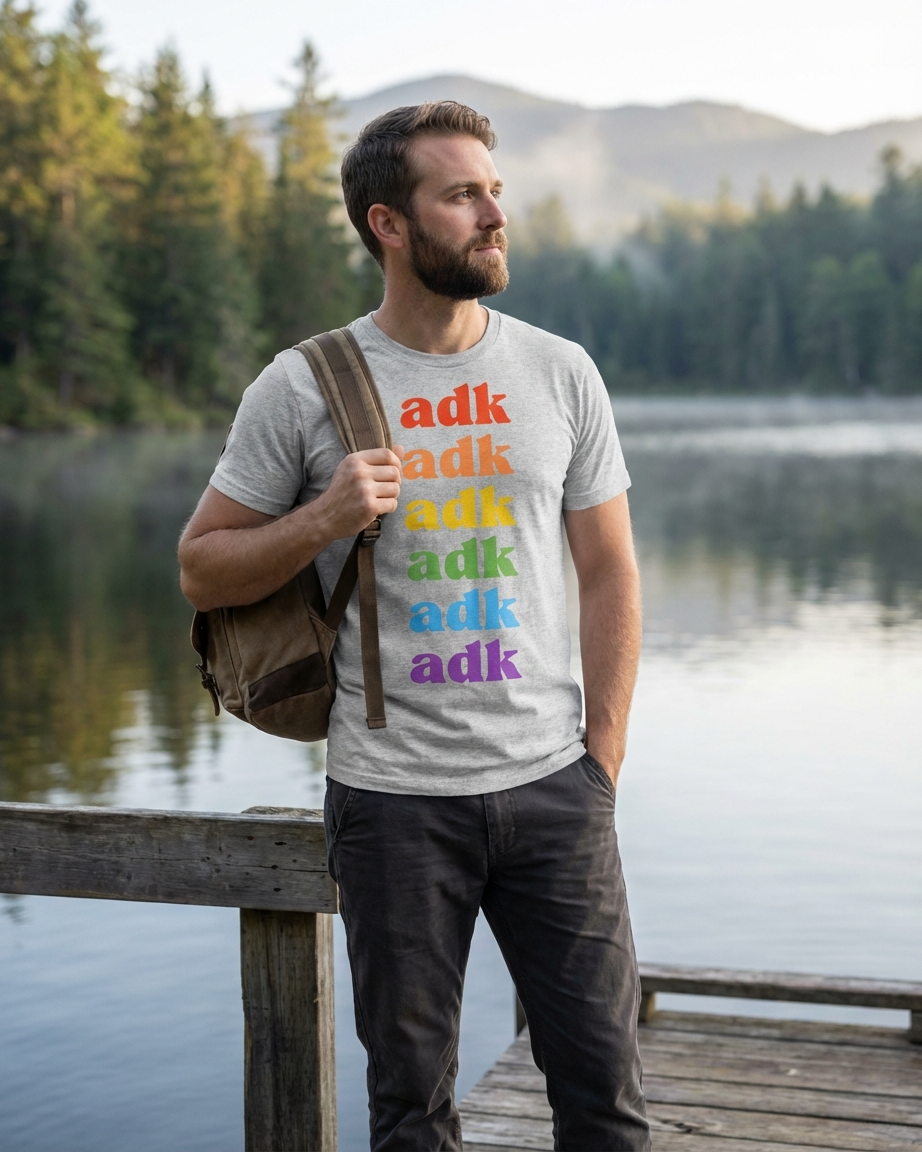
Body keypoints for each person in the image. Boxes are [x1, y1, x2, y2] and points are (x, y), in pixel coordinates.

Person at [178, 101, 649, 1151]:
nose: (494, 214)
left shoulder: (558, 371)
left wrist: (601, 758)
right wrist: (321, 518)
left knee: (605, 1099)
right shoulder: (303, 384)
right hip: (392, 808)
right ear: (388, 224)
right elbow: (201, 568)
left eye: (494, 190)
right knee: (411, 1112)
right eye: (462, 194)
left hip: (554, 794)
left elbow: (610, 570)